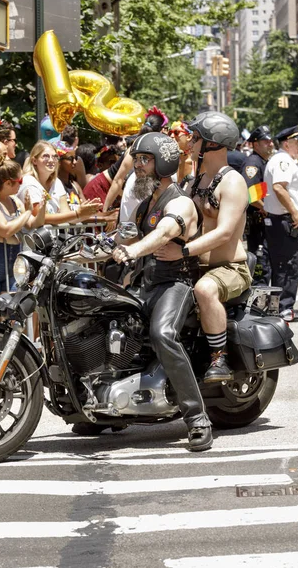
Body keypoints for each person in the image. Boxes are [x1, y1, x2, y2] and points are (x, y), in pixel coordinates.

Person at [110, 132, 213, 452]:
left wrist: (135, 249)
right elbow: (122, 240)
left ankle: (197, 419)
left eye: (144, 160)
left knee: (163, 333)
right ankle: (104, 408)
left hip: (175, 282)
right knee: (107, 324)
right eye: (136, 160)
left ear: (164, 163)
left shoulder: (180, 200)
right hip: (146, 283)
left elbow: (166, 231)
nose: (137, 166)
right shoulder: (144, 205)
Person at [155, 112, 252, 384]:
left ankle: (219, 358)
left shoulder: (233, 182)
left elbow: (224, 233)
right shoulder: (195, 180)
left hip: (229, 268)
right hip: (195, 265)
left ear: (214, 143)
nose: (191, 142)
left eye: (197, 138)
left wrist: (183, 252)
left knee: (205, 289)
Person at [0, 155, 46, 320]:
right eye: (19, 181)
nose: (21, 185)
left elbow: (33, 223)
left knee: (13, 312)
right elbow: (5, 229)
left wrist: (42, 206)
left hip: (12, 260)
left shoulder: (14, 201)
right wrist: (26, 213)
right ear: (7, 183)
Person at [263, 125, 298, 322]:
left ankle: (278, 308)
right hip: (286, 220)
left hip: (279, 220)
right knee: (289, 266)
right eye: (297, 142)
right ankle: (285, 309)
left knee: (280, 266)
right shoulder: (283, 161)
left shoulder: (280, 159)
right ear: (286, 143)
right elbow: (279, 188)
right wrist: (294, 213)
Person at [18, 140, 101, 225]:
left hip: (53, 238)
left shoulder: (57, 182)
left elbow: (68, 217)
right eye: (46, 156)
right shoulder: (28, 181)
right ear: (34, 161)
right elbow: (40, 217)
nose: (51, 160)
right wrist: (77, 213)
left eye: (54, 157)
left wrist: (86, 213)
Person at [241, 125, 274, 286]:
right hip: (258, 224)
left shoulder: (262, 161)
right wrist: (267, 209)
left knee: (266, 263)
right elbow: (251, 195)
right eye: (265, 141)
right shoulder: (253, 163)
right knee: (261, 265)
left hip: (263, 223)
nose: (270, 143)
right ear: (255, 144)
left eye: (270, 140)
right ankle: (258, 305)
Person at [168, 121, 194, 186]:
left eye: (176, 132)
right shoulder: (167, 161)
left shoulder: (198, 163)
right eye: (170, 132)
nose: (171, 136)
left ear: (189, 137)